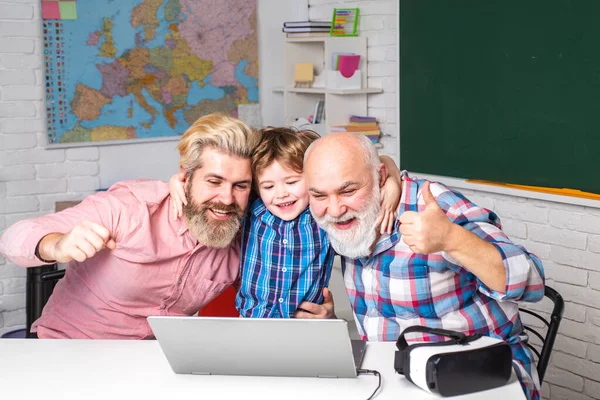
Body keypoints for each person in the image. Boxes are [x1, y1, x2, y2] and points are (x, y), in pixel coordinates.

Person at [300, 132, 545, 400]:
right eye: (319, 195)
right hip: (394, 379)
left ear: (380, 177)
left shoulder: (433, 206)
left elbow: (531, 281)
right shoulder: (329, 218)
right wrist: (328, 324)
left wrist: (452, 239)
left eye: (348, 191)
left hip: (478, 376)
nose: (335, 209)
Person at [0, 113, 255, 339]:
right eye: (214, 181)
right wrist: (55, 244)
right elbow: (14, 237)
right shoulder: (130, 207)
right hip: (71, 348)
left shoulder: (244, 237)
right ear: (185, 177)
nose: (227, 199)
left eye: (240, 185)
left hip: (155, 364)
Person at [169, 127, 403, 318]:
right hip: (251, 326)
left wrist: (391, 182)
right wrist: (176, 181)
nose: (281, 194)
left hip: (305, 328)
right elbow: (217, 189)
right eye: (269, 186)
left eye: (292, 182)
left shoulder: (324, 215)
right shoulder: (254, 209)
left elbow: (380, 161)